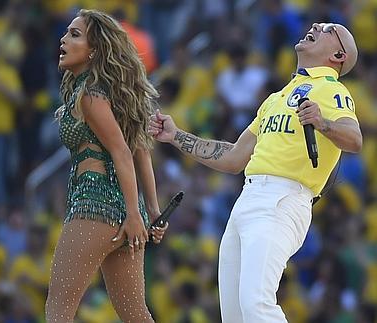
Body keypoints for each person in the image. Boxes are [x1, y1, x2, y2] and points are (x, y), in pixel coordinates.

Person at [149, 23, 362, 322]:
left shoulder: (331, 88)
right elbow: (234, 157)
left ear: (338, 55)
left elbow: (354, 139)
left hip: (283, 199)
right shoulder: (276, 98)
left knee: (256, 304)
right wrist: (176, 136)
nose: (316, 26)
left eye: (328, 29)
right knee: (235, 315)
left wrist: (323, 122)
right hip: (249, 198)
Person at [45, 9, 168, 322]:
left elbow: (123, 152)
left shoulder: (89, 95)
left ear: (94, 49)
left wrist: (134, 213)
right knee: (135, 313)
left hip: (94, 206)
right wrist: (149, 211)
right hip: (126, 213)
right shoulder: (113, 93)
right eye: (66, 32)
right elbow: (141, 150)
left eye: (75, 34)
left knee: (58, 311)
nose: (63, 39)